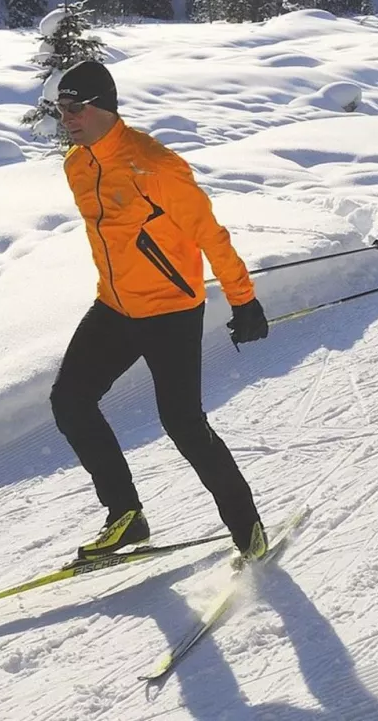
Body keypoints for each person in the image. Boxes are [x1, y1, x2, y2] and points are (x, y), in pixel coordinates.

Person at [48, 60, 272, 560]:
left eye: (74, 107)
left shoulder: (155, 165)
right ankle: (126, 516)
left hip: (171, 310)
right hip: (114, 306)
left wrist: (244, 299)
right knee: (70, 400)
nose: (66, 118)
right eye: (60, 108)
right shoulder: (78, 166)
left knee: (183, 424)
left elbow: (209, 235)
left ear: (104, 107)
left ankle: (248, 528)